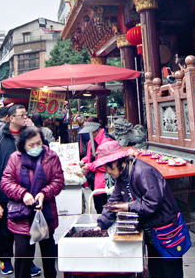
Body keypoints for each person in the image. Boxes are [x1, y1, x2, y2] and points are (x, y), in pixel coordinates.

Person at [93, 141, 187, 278]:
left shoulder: (143, 172)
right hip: (151, 231)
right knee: (156, 271)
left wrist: (129, 206)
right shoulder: (121, 177)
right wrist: (100, 225)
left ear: (118, 162)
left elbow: (153, 202)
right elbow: (113, 201)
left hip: (165, 230)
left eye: (108, 166)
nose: (106, 170)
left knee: (170, 271)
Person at [0, 105, 42, 276]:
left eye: (26, 114)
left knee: (29, 227)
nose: (25, 117)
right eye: (21, 115)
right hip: (5, 190)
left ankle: (28, 261)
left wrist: (35, 130)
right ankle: (5, 260)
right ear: (11, 118)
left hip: (29, 191)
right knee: (5, 230)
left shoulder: (31, 134)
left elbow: (44, 152)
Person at [0, 126, 64, 278]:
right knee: (22, 256)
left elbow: (58, 181)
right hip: (21, 214)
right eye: (31, 145)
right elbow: (6, 182)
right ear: (23, 145)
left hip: (45, 211)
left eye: (38, 143)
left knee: (48, 254)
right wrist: (23, 194)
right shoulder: (15, 158)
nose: (36, 147)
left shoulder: (51, 156)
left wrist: (44, 193)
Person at [79, 119, 114, 214]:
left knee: (105, 209)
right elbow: (90, 156)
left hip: (104, 181)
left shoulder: (106, 141)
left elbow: (107, 164)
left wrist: (89, 166)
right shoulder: (92, 140)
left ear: (97, 129)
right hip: (95, 180)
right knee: (98, 206)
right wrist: (83, 160)